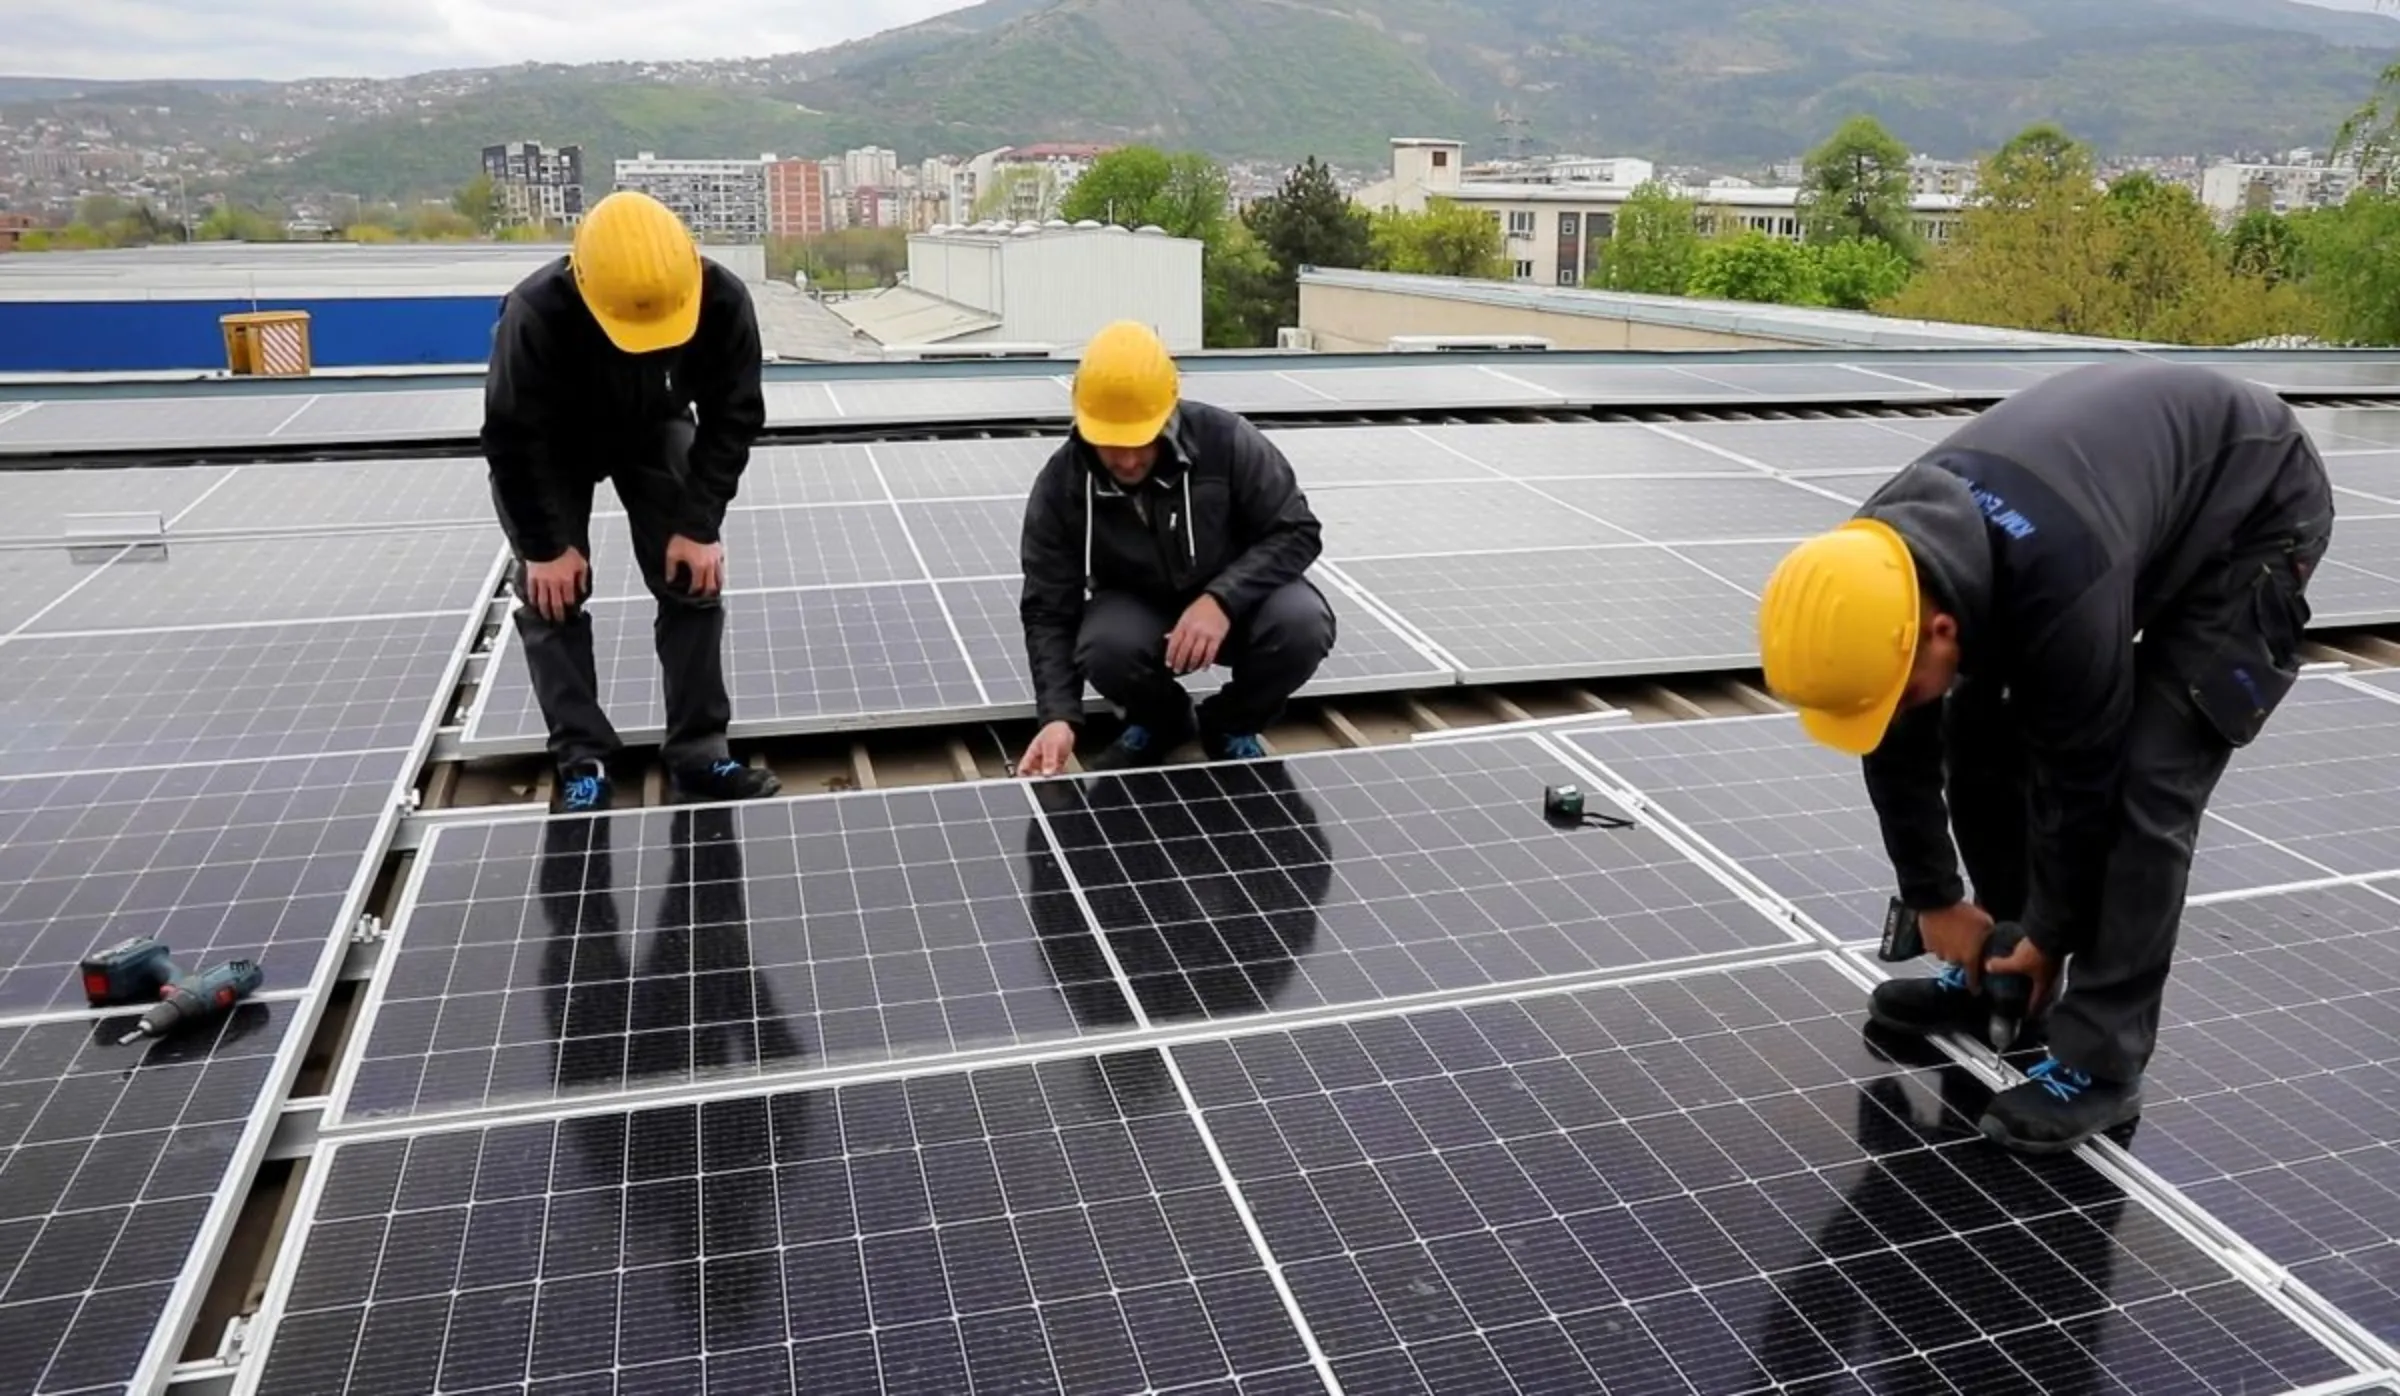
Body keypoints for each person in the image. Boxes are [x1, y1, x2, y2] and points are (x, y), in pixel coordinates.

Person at [1757, 359, 2333, 1155]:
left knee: (2148, 785)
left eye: (1897, 686)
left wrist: (2053, 935)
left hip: (2250, 510)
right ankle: (2002, 966)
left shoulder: (2061, 589)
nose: (1888, 712)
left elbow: (2079, 783)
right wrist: (1936, 900)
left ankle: (2100, 1063)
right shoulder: (1875, 563)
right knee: (1976, 734)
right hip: (2110, 502)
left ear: (1941, 631)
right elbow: (1894, 737)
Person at [482, 189, 780, 813]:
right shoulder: (536, 313)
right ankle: (581, 758)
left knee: (693, 579)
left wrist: (699, 525)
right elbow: (511, 438)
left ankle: (700, 753)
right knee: (550, 597)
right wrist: (543, 548)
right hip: (554, 445)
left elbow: (734, 417)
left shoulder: (720, 299)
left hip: (655, 425)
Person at [1016, 321, 1335, 776]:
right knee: (1105, 647)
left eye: (1139, 441)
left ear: (1168, 414)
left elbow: (1297, 530)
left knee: (1302, 624)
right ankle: (1163, 722)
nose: (1127, 460)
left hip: (1240, 603)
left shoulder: (1227, 441)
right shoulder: (1062, 485)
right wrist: (1058, 716)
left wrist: (1221, 600)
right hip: (1140, 608)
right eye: (1111, 443)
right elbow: (1048, 608)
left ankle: (1229, 725)